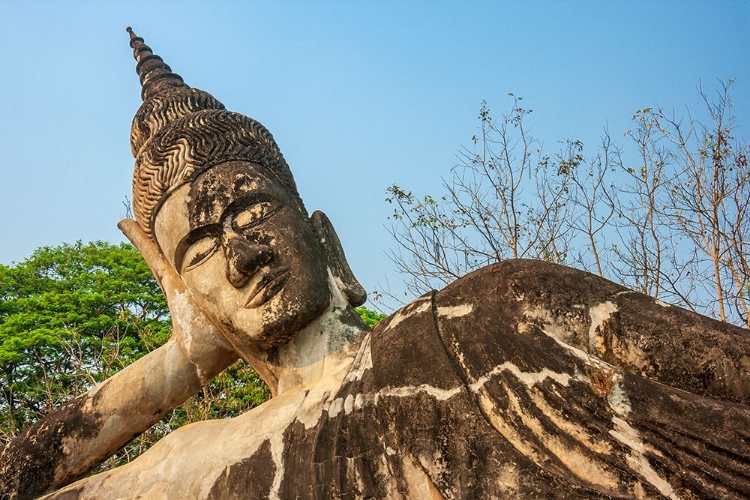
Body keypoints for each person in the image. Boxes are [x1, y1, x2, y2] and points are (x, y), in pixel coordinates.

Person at [2, 29, 749, 499]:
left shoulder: (492, 315)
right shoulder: (194, 469)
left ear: (323, 240)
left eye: (254, 211)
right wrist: (183, 359)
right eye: (199, 248)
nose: (240, 254)